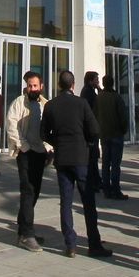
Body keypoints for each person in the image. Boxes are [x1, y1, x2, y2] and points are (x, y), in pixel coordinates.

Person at [42, 70, 113, 258]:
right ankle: (94, 244)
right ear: (73, 85)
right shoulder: (81, 104)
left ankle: (70, 244)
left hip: (63, 159)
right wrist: (87, 143)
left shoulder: (51, 105)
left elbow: (43, 133)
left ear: (59, 85)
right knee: (88, 202)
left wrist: (57, 141)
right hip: (81, 158)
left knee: (65, 202)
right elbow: (94, 129)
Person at [6, 70, 51, 251]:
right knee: (28, 190)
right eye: (29, 85)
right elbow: (11, 125)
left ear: (41, 87)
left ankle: (23, 229)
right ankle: (27, 234)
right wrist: (22, 146)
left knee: (35, 191)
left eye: (35, 85)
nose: (32, 88)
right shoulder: (19, 102)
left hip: (40, 153)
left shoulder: (45, 105)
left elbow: (49, 130)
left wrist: (48, 149)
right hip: (26, 153)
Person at [95, 75, 130, 199]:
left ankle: (106, 189)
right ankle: (115, 189)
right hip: (115, 134)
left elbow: (95, 114)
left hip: (104, 134)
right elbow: (122, 116)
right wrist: (124, 129)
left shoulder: (99, 97)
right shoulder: (116, 97)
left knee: (105, 163)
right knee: (115, 164)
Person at [81, 71, 104, 193]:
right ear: (90, 81)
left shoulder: (89, 91)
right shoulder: (88, 92)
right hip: (90, 129)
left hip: (92, 128)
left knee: (93, 156)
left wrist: (99, 88)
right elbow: (99, 104)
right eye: (96, 80)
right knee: (92, 156)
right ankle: (94, 182)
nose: (98, 82)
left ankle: (96, 181)